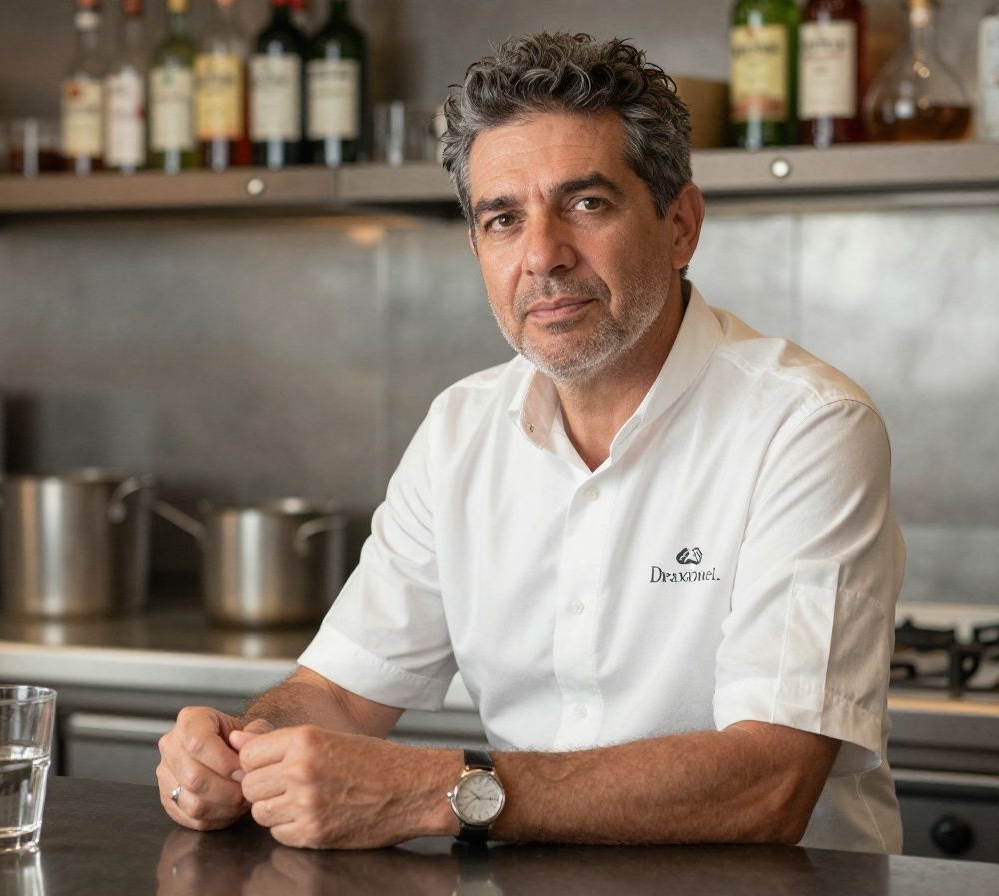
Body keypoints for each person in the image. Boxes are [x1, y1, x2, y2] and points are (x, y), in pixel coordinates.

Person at [156, 32, 905, 852]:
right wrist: (241, 750)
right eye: (504, 219)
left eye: (587, 204)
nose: (542, 256)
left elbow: (770, 783)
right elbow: (334, 691)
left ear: (681, 224)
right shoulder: (460, 430)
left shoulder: (806, 426)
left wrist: (443, 791)